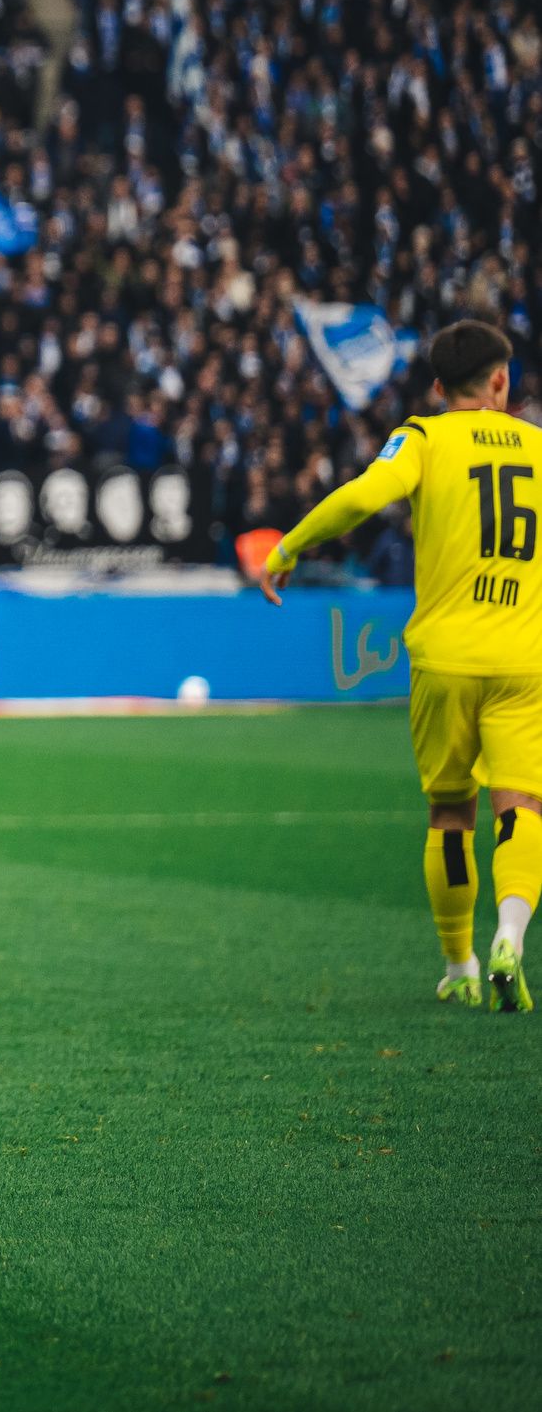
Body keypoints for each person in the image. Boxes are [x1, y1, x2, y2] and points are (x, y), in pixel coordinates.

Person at [259, 320, 542, 1011]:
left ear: (439, 388)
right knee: (523, 807)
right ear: (501, 381)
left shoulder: (423, 435)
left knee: (451, 814)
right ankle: (511, 932)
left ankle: (460, 966)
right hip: (524, 659)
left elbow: (362, 495)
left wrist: (289, 546)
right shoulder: (538, 447)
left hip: (445, 658)